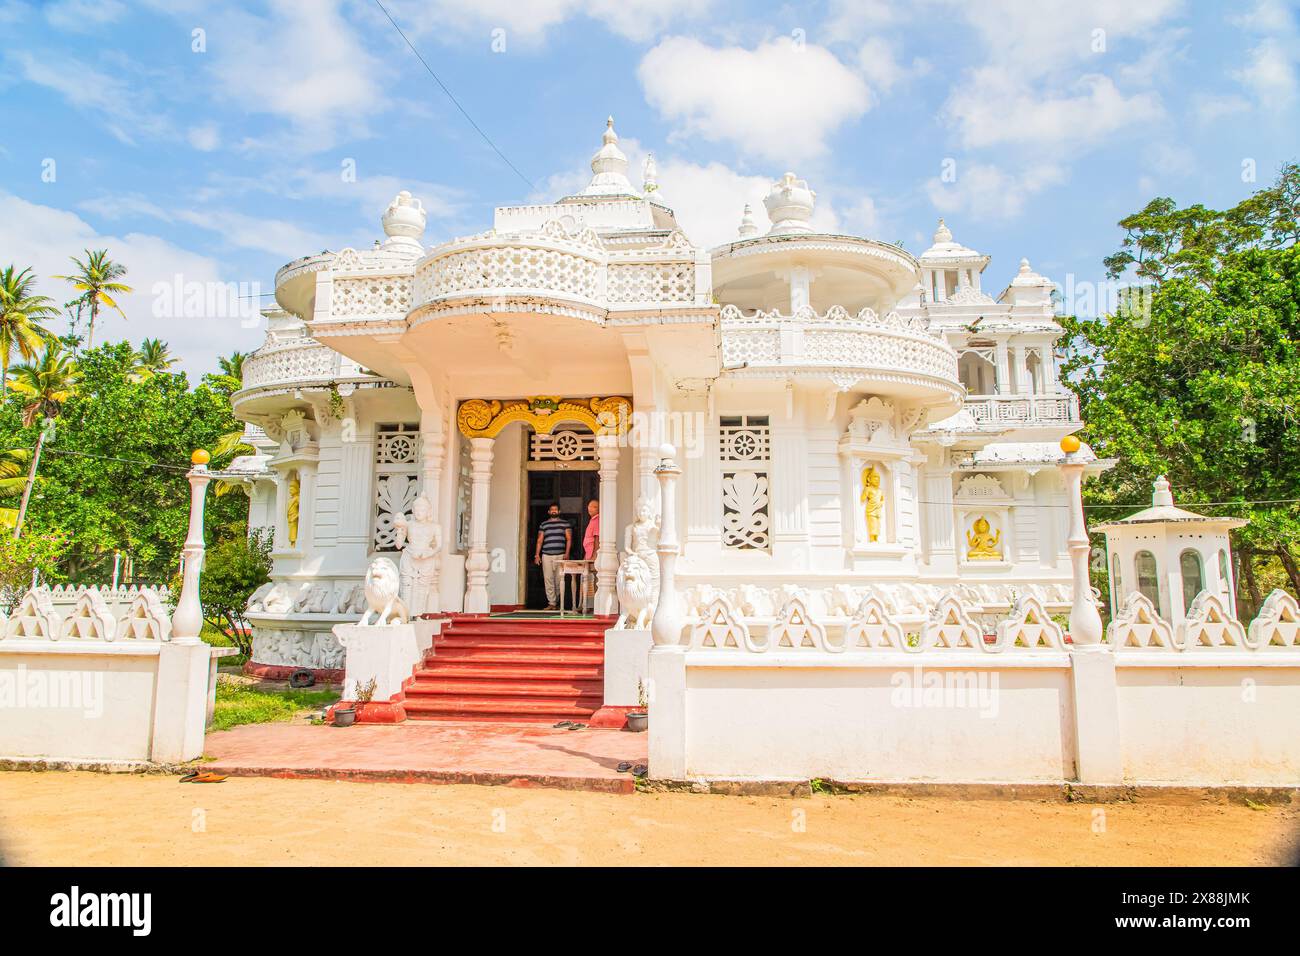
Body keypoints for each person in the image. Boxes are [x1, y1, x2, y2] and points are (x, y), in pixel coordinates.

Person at [534, 503, 572, 610]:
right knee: (548, 579)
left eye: (556, 509)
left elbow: (569, 539)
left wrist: (567, 553)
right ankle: (552, 603)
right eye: (552, 510)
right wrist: (537, 555)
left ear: (559, 511)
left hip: (560, 555)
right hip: (546, 555)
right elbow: (539, 540)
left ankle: (557, 601)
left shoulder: (565, 524)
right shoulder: (544, 525)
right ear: (549, 512)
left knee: (559, 580)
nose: (554, 511)